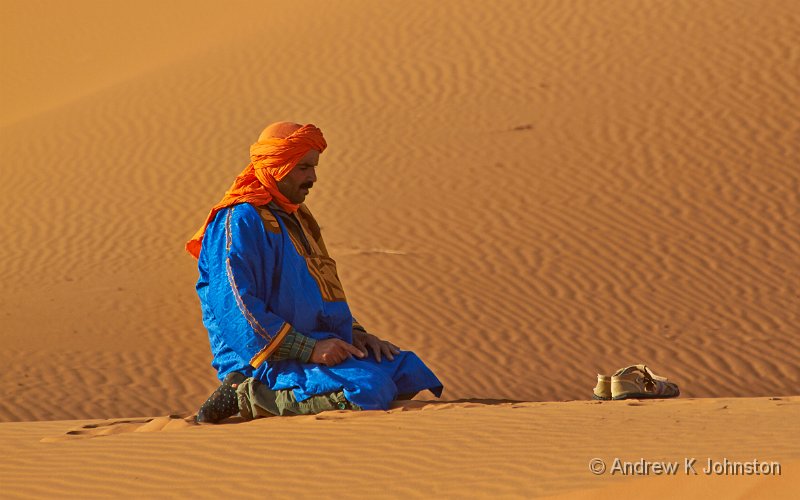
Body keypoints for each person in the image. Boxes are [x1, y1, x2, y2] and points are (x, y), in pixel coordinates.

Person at [186, 121, 443, 423]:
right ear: (278, 166)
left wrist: (357, 335)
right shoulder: (237, 220)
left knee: (407, 370)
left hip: (317, 345)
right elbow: (235, 307)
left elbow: (320, 290)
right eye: (303, 167)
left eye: (313, 167)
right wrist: (309, 349)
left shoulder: (297, 218)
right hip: (265, 358)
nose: (313, 178)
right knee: (369, 389)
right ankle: (246, 396)